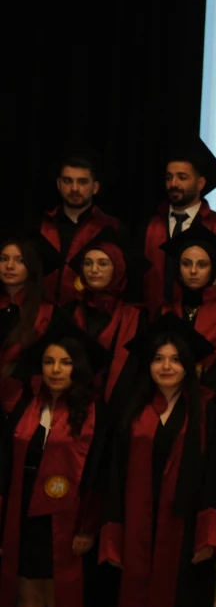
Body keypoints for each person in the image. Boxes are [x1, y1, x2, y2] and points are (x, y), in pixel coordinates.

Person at [99, 315, 216, 607]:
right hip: (139, 526)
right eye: (158, 359)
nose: (166, 366)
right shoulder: (133, 409)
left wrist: (209, 533)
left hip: (184, 527)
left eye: (175, 359)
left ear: (189, 364)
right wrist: (114, 533)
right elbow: (115, 473)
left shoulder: (207, 409)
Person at [0, 321, 107, 607]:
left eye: (64, 362)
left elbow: (99, 473)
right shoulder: (28, 407)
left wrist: (88, 526)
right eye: (48, 362)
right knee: (27, 600)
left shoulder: (94, 412)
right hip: (23, 512)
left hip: (67, 518)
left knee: (58, 598)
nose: (55, 369)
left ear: (78, 367)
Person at [140, 140, 216, 312]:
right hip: (154, 318)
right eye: (169, 177)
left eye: (182, 177)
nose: (173, 184)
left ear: (201, 183)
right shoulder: (149, 226)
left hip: (205, 319)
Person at [157, 225, 216, 407]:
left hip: (214, 408)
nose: (193, 271)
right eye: (186, 263)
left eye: (202, 265)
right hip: (168, 404)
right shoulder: (165, 312)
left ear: (214, 270)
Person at [60, 235, 141, 401]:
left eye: (102, 264)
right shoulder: (68, 311)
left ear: (117, 268)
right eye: (88, 263)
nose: (93, 270)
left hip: (118, 404)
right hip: (71, 401)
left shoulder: (135, 316)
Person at [37, 152, 121, 305]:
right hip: (41, 313)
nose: (74, 188)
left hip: (92, 313)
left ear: (95, 187)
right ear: (58, 184)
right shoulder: (40, 225)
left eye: (82, 182)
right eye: (68, 181)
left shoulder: (112, 228)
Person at [1, 238, 58, 414]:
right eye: (3, 259)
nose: (9, 266)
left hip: (19, 404)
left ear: (31, 266)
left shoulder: (45, 313)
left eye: (20, 261)